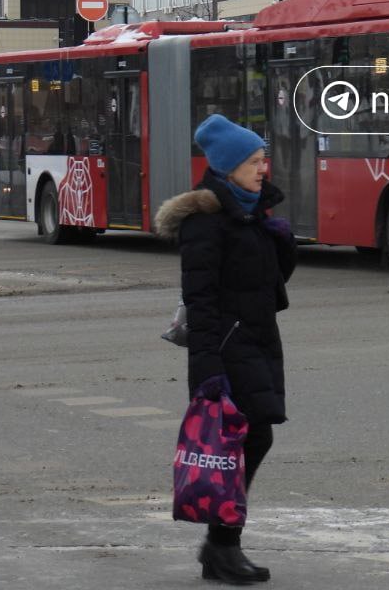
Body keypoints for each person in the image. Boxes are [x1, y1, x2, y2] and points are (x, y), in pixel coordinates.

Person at [155, 114, 296, 585]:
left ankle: (221, 548)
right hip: (229, 350)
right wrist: (207, 371)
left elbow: (271, 290)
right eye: (255, 162)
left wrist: (281, 245)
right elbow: (201, 303)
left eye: (263, 160)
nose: (263, 170)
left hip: (256, 342)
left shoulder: (250, 213)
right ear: (229, 167)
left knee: (252, 438)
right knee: (248, 439)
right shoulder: (207, 223)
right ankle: (221, 547)